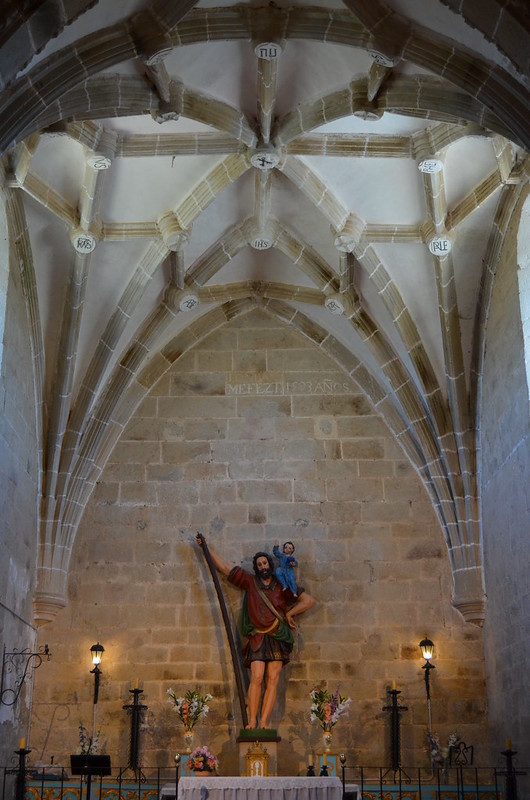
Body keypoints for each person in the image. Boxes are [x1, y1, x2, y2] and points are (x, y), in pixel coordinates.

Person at [196, 534, 315, 730]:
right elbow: (226, 568)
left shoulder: (282, 585)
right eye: (259, 565)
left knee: (273, 679)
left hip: (277, 635)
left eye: (265, 563)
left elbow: (309, 601)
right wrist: (206, 549)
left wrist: (290, 614)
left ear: (270, 564)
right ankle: (252, 721)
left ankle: (264, 723)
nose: (263, 567)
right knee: (257, 676)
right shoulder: (250, 582)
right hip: (258, 637)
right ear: (256, 568)